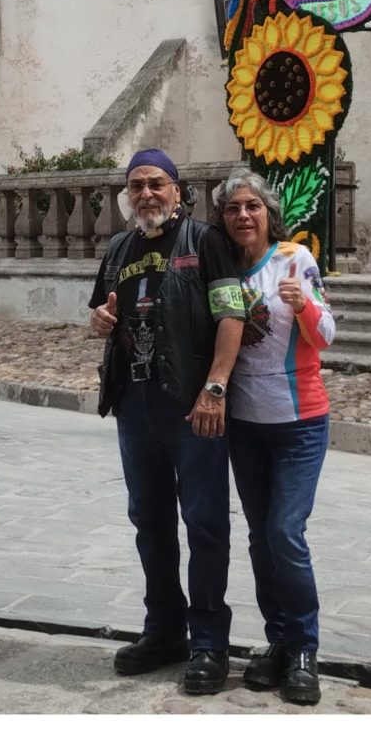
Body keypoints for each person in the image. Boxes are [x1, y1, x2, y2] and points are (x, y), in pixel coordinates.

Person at [90, 150, 248, 694]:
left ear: (179, 191)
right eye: (136, 186)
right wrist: (98, 320)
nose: (146, 194)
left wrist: (215, 387)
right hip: (136, 409)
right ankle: (163, 630)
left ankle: (209, 642)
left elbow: (231, 315)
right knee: (149, 523)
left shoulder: (205, 242)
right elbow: (100, 314)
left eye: (157, 184)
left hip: (192, 407)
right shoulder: (117, 249)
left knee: (205, 525)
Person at [214, 171, 335, 709]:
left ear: (268, 212)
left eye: (252, 207)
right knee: (261, 539)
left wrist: (304, 304)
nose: (243, 216)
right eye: (233, 208)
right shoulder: (222, 267)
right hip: (245, 424)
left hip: (299, 422)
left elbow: (326, 335)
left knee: (286, 532)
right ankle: (279, 642)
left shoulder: (294, 260)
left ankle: (305, 649)